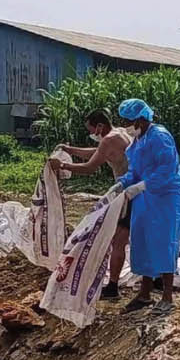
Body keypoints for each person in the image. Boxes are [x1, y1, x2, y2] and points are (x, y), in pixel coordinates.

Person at [111, 98, 180, 315]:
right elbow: (135, 171)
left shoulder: (160, 137)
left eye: (127, 121)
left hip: (165, 197)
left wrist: (143, 185)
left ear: (140, 120)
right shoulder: (137, 142)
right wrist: (122, 183)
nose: (125, 125)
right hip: (145, 198)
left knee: (163, 242)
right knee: (143, 242)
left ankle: (167, 297)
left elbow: (167, 169)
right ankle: (144, 294)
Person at [53, 110, 135, 298]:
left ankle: (113, 287)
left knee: (118, 240)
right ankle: (153, 278)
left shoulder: (108, 140)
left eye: (92, 130)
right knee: (134, 237)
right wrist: (70, 149)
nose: (92, 134)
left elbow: (90, 167)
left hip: (129, 193)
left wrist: (63, 166)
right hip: (136, 190)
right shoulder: (120, 133)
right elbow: (97, 153)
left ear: (99, 126)